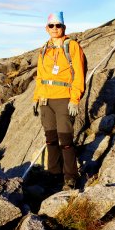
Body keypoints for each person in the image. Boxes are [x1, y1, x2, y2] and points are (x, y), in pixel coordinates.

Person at [32, 11, 85, 190]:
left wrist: (75, 99)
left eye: (58, 25)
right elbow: (40, 76)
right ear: (46, 28)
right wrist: (36, 97)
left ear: (64, 27)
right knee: (50, 139)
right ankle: (54, 174)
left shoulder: (72, 46)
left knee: (66, 140)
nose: (55, 28)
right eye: (51, 25)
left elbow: (79, 73)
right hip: (46, 99)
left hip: (64, 98)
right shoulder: (44, 49)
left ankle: (70, 177)